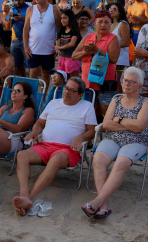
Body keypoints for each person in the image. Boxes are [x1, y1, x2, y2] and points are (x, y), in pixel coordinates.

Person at [13, 76, 96, 216]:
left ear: (80, 95)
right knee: (22, 155)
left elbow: (92, 131)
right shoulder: (53, 103)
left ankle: (29, 197)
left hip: (68, 149)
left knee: (56, 159)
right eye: (66, 88)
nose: (66, 92)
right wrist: (35, 132)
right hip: (45, 145)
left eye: (71, 90)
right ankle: (24, 195)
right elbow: (39, 123)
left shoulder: (86, 106)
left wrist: (81, 137)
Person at [82, 67, 148, 219]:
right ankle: (104, 204)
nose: (126, 84)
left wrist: (119, 120)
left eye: (131, 82)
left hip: (136, 141)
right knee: (98, 159)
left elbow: (140, 127)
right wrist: (130, 124)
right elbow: (106, 124)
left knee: (121, 163)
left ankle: (98, 201)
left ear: (139, 86)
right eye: (125, 80)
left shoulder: (145, 103)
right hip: (112, 139)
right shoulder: (116, 100)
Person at [72, 9, 121, 97]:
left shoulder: (113, 38)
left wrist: (96, 49)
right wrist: (85, 52)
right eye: (100, 22)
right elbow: (74, 56)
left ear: (111, 24)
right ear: (94, 24)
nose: (103, 25)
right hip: (87, 81)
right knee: (88, 107)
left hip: (105, 81)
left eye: (106, 22)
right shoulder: (88, 37)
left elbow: (114, 59)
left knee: (103, 109)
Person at [22, 0, 63, 85]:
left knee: (45, 75)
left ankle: (43, 98)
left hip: (48, 49)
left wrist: (58, 45)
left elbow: (60, 28)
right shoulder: (30, 9)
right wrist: (26, 46)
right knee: (32, 75)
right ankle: (33, 98)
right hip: (33, 49)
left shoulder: (54, 9)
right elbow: (26, 29)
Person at [0, 80, 36, 156]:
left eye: (18, 91)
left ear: (25, 96)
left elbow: (19, 129)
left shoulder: (28, 111)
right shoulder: (5, 108)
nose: (14, 92)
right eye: (12, 90)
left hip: (13, 139)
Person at [55, 9, 81, 77]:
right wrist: (57, 46)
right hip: (62, 58)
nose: (62, 20)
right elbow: (58, 41)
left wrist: (60, 47)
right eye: (61, 18)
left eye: (65, 18)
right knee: (61, 79)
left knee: (73, 79)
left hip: (71, 58)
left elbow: (72, 43)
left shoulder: (74, 31)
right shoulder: (62, 30)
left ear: (70, 18)